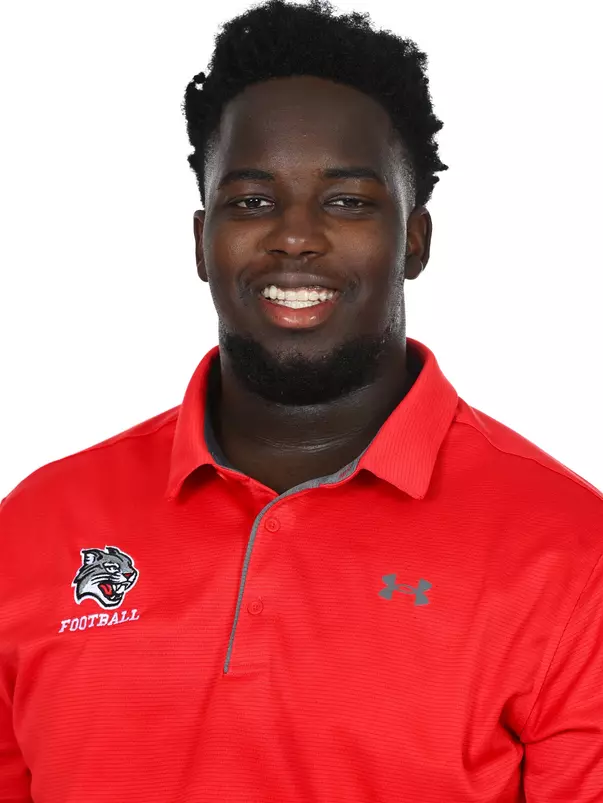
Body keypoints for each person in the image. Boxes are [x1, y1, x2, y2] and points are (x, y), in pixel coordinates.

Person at [1, 0, 601, 800]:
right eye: (250, 201)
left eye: (347, 201)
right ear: (199, 240)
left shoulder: (567, 551)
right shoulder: (39, 523)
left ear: (415, 240)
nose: (293, 236)